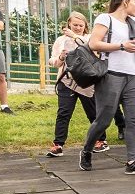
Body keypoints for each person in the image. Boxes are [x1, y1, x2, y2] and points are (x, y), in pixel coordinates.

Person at [81, 0, 135, 174]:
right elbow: (93, 43)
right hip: (110, 74)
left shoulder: (134, 23)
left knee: (134, 119)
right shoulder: (106, 19)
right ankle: (87, 150)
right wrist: (122, 46)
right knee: (104, 119)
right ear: (125, 2)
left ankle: (133, 161)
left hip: (132, 76)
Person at [47, 11, 110, 159]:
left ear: (85, 26)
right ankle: (58, 144)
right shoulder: (60, 40)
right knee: (63, 113)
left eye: (81, 25)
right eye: (75, 25)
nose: (77, 27)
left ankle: (101, 140)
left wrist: (74, 37)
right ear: (68, 23)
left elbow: (90, 47)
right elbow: (53, 61)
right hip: (66, 81)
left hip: (86, 82)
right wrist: (60, 57)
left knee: (93, 113)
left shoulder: (88, 38)